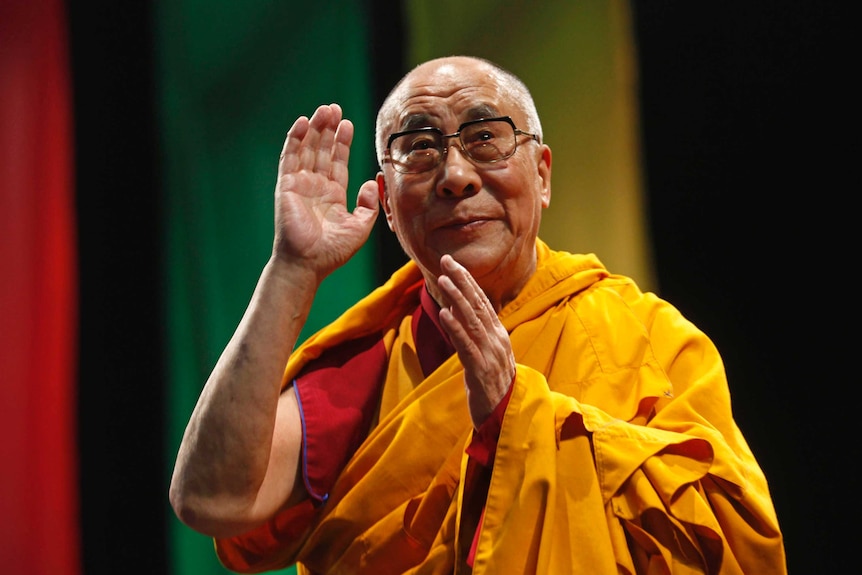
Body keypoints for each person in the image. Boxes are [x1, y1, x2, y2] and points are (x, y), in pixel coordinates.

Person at [169, 55, 787, 574]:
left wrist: (518, 415)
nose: (456, 176)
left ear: (541, 175)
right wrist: (291, 271)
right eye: (419, 148)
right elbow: (211, 498)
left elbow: (735, 546)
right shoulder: (372, 363)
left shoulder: (647, 339)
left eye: (485, 137)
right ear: (385, 202)